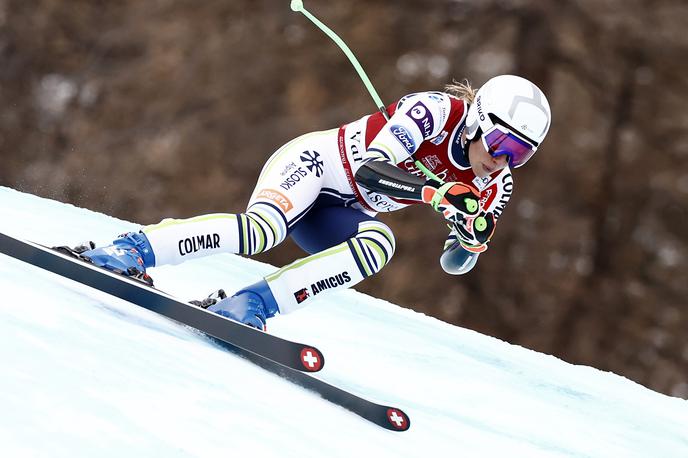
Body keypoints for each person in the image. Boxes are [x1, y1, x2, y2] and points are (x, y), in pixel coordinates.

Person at [80, 74, 551, 330]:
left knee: (379, 245)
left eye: (521, 155)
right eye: (501, 144)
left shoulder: (497, 184)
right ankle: (132, 250)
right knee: (260, 231)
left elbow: (454, 266)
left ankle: (252, 305)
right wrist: (438, 192)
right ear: (475, 121)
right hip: (315, 167)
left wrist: (468, 242)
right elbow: (370, 170)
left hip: (339, 213)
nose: (503, 160)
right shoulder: (432, 112)